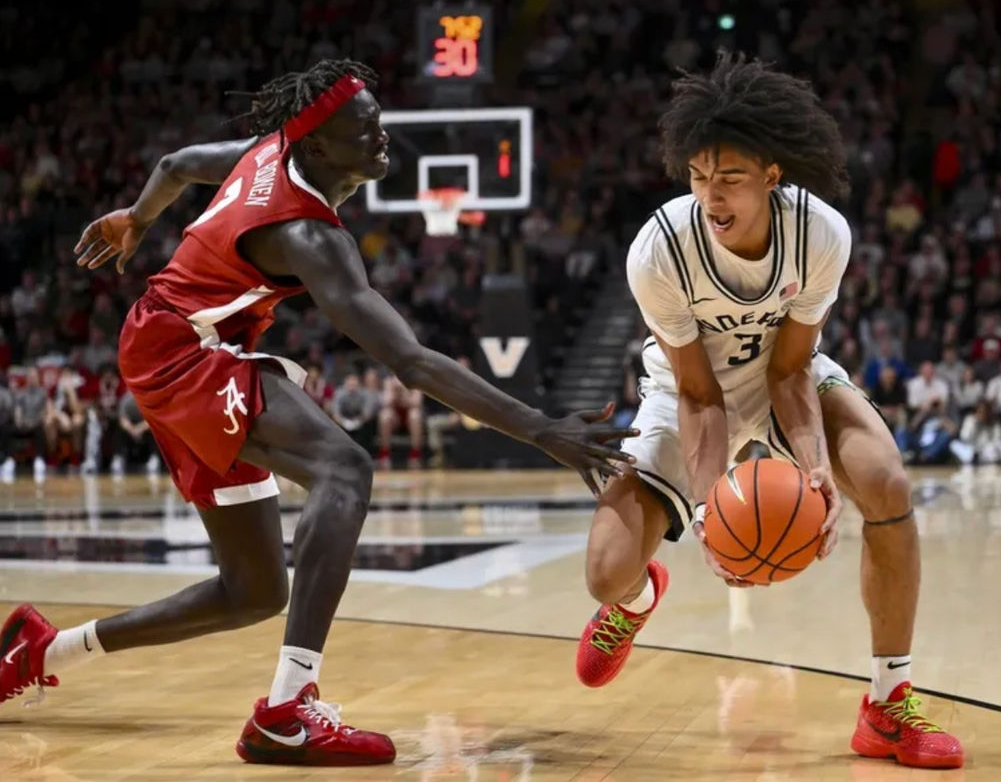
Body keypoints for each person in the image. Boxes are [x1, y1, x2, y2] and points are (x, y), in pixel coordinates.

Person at [0, 59, 636, 767]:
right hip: (183, 353)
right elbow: (412, 362)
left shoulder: (267, 151)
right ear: (319, 146)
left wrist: (136, 219)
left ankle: (46, 648)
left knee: (253, 591)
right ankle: (285, 712)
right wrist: (542, 428)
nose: (383, 136)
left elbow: (176, 163)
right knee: (345, 469)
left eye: (379, 120)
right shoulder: (306, 236)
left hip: (179, 342)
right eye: (365, 128)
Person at [573, 53, 962, 769]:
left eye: (729, 178)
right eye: (697, 176)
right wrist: (713, 509)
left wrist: (815, 468)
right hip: (687, 392)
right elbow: (696, 392)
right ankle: (635, 600)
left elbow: (789, 370)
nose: (710, 195)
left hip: (782, 379)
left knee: (887, 482)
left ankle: (888, 702)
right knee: (603, 569)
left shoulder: (821, 235)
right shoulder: (659, 251)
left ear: (772, 175)